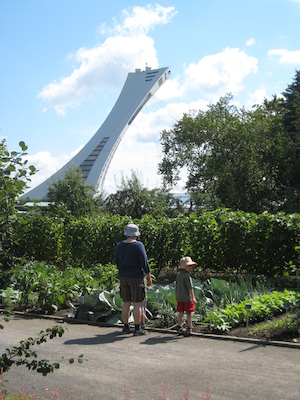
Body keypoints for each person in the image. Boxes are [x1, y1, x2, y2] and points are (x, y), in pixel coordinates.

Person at [115, 223, 152, 335]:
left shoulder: (120, 245)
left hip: (123, 276)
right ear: (136, 234)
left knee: (126, 303)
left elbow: (117, 261)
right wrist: (148, 276)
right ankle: (137, 328)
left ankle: (126, 326)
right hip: (136, 277)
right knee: (137, 304)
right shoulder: (138, 245)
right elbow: (144, 262)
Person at [175, 256, 197, 336]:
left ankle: (179, 326)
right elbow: (190, 288)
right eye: (189, 266)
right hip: (187, 298)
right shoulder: (187, 276)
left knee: (181, 312)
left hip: (179, 297)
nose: (190, 268)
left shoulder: (179, 275)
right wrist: (193, 298)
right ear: (187, 267)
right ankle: (189, 328)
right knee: (188, 313)